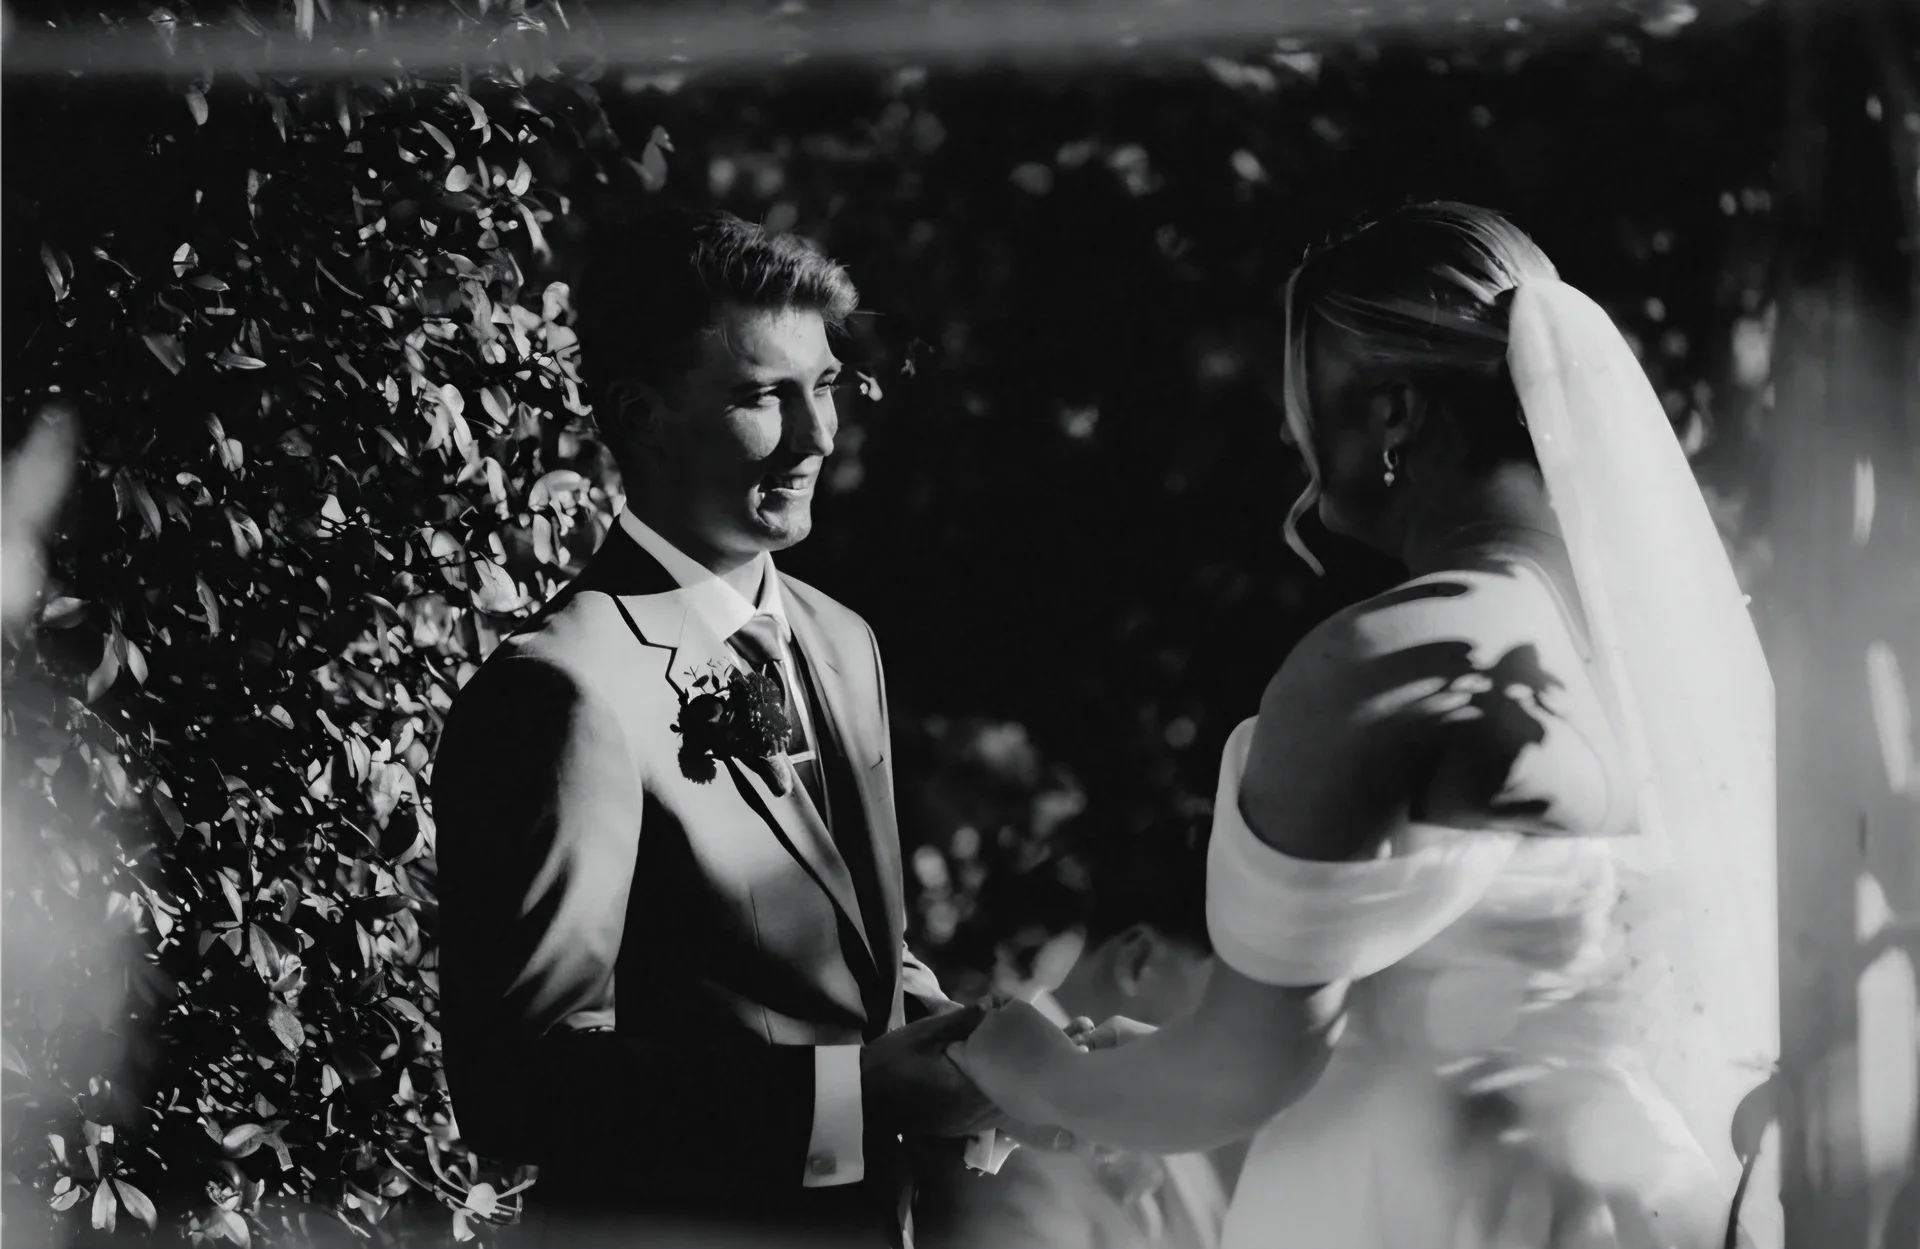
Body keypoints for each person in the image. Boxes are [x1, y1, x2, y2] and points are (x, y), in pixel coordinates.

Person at [948, 203, 1776, 1249]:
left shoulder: (1388, 663)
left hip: (1420, 1198)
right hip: (1615, 1191)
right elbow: (1422, 1003)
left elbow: (1233, 1077)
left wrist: (1027, 1060)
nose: (1291, 428)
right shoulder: (1613, 662)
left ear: (1394, 411)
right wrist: (1142, 1060)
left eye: (1302, 389)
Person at [432, 207, 1054, 1249]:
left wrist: (985, 1059)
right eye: (764, 397)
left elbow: (853, 956)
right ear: (641, 418)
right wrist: (858, 1099)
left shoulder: (843, 641)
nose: (817, 436)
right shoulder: (560, 692)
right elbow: (523, 1084)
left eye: (825, 388)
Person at [924, 818, 1227, 1249]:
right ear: (1139, 962)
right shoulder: (987, 1107)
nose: (1238, 1031)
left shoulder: (1185, 1136)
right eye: (1226, 996)